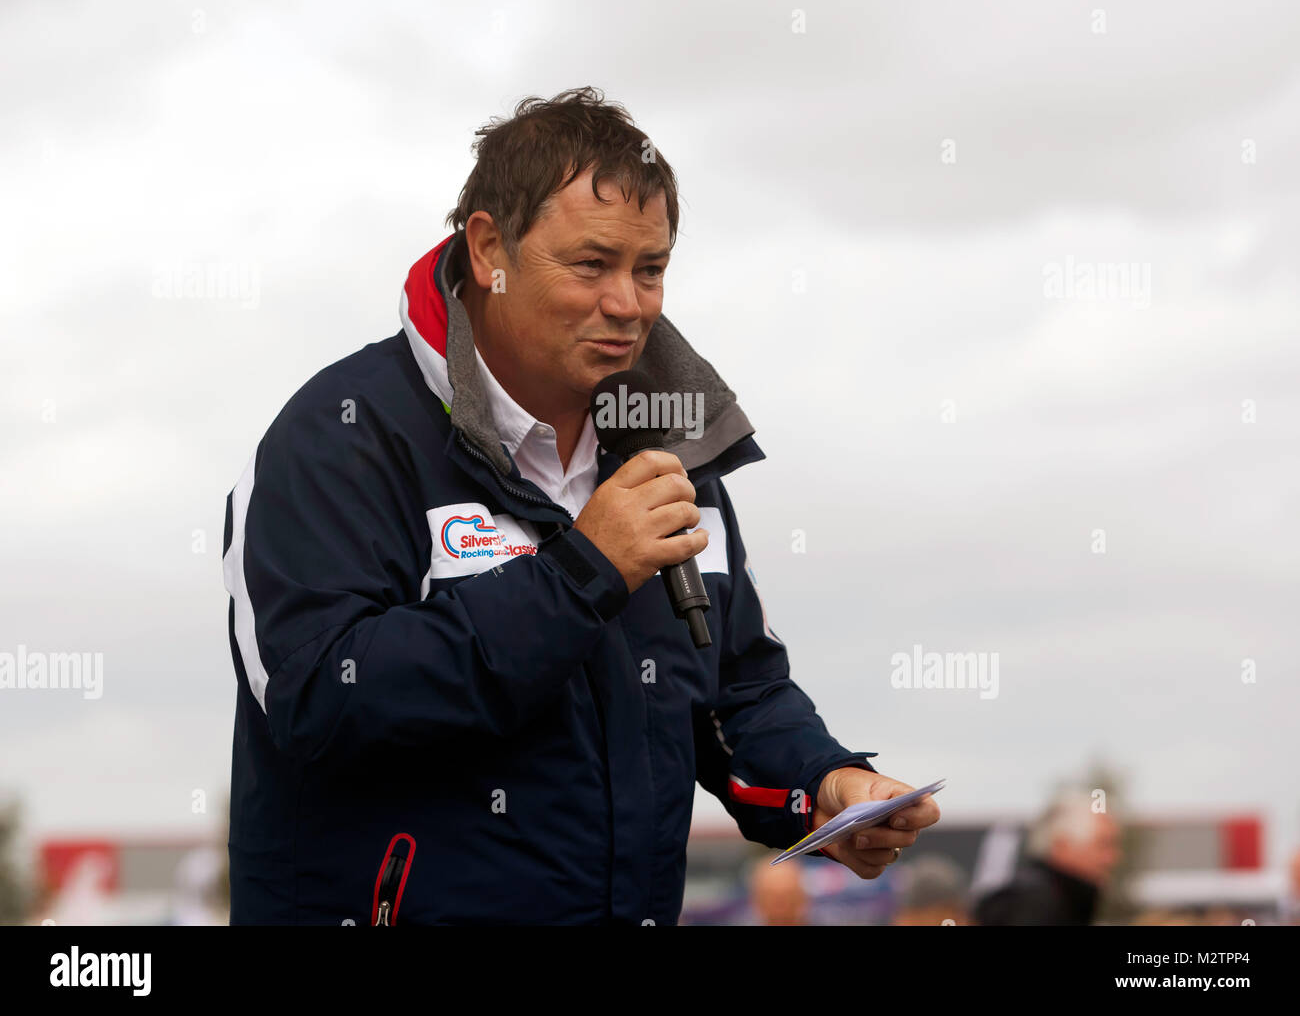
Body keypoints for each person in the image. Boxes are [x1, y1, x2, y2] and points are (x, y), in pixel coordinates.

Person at [222, 87, 940, 924]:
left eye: (652, 268)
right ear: (491, 248)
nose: (628, 304)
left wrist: (821, 783)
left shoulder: (668, 447)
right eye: (592, 264)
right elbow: (320, 699)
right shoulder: (339, 437)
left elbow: (734, 688)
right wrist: (581, 573)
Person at [973, 789, 1120, 926]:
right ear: (1062, 846)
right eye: (1103, 844)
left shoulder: (1062, 900)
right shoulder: (1032, 904)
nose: (1112, 858)